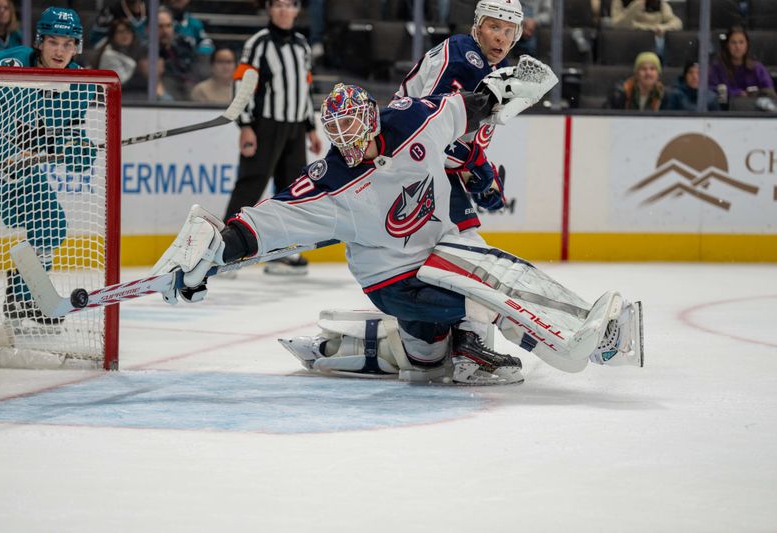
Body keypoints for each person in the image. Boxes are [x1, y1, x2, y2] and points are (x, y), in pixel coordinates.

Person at [150, 66, 643, 386]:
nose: (348, 143)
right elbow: (264, 223)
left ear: (373, 118)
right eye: (338, 135)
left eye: (355, 130)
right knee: (464, 319)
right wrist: (212, 253)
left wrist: (498, 94)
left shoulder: (412, 121)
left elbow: (463, 109)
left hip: (443, 253)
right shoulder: (328, 183)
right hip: (394, 282)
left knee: (455, 331)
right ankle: (435, 344)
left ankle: (589, 337)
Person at [395, 0, 524, 359]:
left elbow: (458, 137)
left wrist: (477, 171)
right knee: (470, 251)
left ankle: (431, 341)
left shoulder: (491, 67)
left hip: (422, 165)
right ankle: (468, 346)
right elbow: (425, 128)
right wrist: (476, 165)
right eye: (494, 27)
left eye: (508, 30)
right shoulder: (462, 57)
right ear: (478, 27)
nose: (501, 37)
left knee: (450, 252)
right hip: (410, 165)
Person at [0, 8, 96, 327]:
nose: (60, 51)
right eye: (53, 42)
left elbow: (67, 134)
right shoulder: (8, 65)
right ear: (39, 42)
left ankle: (23, 297)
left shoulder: (80, 82)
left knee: (51, 224)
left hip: (20, 171)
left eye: (68, 44)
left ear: (77, 46)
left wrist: (77, 150)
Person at [224, 0, 322, 275]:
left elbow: (305, 87)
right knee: (250, 187)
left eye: (289, 5)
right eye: (277, 4)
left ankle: (282, 253)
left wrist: (310, 127)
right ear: (269, 8)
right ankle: (223, 249)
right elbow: (241, 83)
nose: (283, 10)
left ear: (296, 9)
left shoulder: (302, 44)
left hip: (294, 128)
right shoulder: (258, 43)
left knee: (291, 193)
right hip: (265, 125)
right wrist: (245, 124)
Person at [709, 26, 776, 112]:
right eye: (733, 42)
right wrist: (736, 93)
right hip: (724, 115)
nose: (738, 46)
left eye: (741, 42)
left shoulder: (757, 68)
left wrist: (754, 94)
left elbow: (769, 91)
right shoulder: (717, 68)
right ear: (727, 45)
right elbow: (710, 91)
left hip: (755, 115)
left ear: (747, 45)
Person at [610, 0, 682, 57]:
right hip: (631, 39)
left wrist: (663, 27)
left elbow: (677, 23)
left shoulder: (660, 4)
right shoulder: (620, 1)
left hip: (655, 40)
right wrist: (636, 5)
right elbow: (617, 25)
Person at [157, 6, 200, 101]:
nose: (165, 31)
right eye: (160, 26)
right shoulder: (148, 51)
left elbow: (196, 70)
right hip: (166, 95)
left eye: (168, 26)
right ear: (150, 28)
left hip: (188, 92)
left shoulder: (184, 45)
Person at [92, 18, 142, 87]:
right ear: (113, 36)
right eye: (120, 32)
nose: (125, 35)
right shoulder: (108, 55)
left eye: (128, 31)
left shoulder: (134, 52)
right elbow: (120, 83)